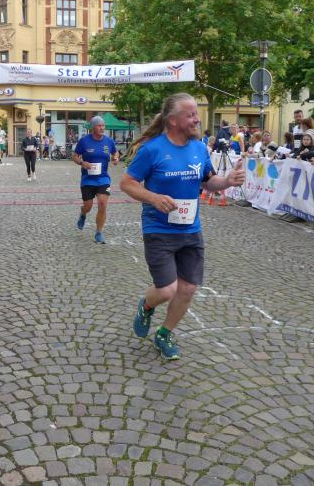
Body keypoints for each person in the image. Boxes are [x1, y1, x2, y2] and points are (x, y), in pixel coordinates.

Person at [121, 93, 245, 361]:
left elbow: (208, 181)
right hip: (159, 230)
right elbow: (127, 183)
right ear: (173, 120)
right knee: (167, 289)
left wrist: (227, 181)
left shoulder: (199, 148)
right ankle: (147, 305)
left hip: (190, 230)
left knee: (187, 289)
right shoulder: (152, 149)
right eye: (190, 115)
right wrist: (154, 198)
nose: (197, 119)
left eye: (196, 114)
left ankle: (164, 334)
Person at [73, 116, 120, 244]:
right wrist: (82, 162)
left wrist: (116, 158)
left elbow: (115, 152)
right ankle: (83, 213)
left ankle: (99, 232)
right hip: (88, 179)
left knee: (103, 204)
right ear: (93, 127)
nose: (102, 128)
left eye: (103, 125)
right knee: (88, 206)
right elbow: (75, 156)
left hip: (103, 178)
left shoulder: (109, 141)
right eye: (99, 126)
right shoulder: (84, 141)